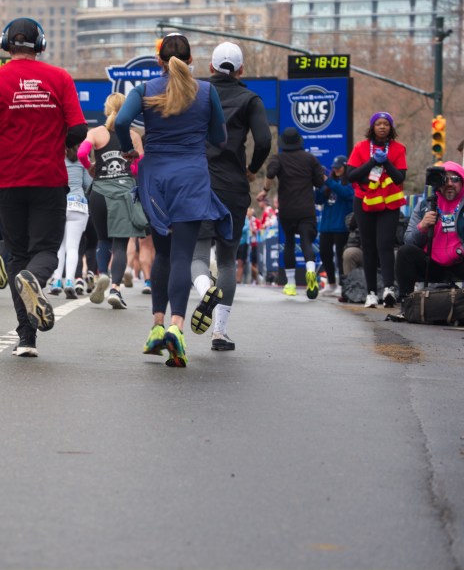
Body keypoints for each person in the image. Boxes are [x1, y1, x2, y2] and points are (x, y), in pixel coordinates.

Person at [0, 17, 88, 357]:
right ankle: (34, 278)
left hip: (7, 180)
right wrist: (56, 143)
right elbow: (79, 131)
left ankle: (26, 338)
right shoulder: (59, 78)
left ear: (6, 43)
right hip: (48, 178)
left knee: (17, 254)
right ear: (40, 44)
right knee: (46, 249)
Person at [115, 33, 229, 368]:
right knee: (183, 255)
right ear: (191, 59)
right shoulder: (206, 91)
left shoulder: (144, 90)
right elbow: (220, 138)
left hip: (156, 179)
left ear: (158, 60)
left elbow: (121, 121)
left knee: (162, 253)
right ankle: (177, 328)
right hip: (191, 178)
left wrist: (128, 148)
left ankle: (156, 326)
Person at [190, 41, 272, 350]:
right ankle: (219, 332)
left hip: (198, 184)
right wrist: (252, 168)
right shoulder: (250, 99)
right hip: (233, 187)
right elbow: (264, 140)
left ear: (210, 67)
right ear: (241, 70)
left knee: (198, 256)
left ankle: (204, 292)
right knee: (226, 261)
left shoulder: (196, 94)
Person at [79, 91, 145, 309]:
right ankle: (115, 288)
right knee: (120, 244)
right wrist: (129, 170)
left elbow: (81, 153)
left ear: (107, 109)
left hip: (99, 192)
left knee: (102, 240)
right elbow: (139, 166)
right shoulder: (134, 136)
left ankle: (102, 275)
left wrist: (90, 167)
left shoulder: (96, 132)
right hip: (123, 193)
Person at [396, 162, 464, 300]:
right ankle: (406, 301)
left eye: (455, 179)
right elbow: (409, 240)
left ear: (463, 181)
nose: (450, 183)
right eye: (445, 179)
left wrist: (461, 250)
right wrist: (422, 227)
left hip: (462, 261)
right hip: (432, 264)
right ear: (438, 183)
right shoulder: (424, 205)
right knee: (404, 252)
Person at [346, 112, 408, 308]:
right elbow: (351, 175)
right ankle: (371, 293)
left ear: (391, 128)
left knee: (385, 244)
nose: (382, 127)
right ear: (372, 127)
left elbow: (399, 178)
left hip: (389, 203)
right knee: (368, 246)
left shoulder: (398, 148)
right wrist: (373, 162)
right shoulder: (361, 147)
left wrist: (386, 161)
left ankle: (389, 289)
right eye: (378, 124)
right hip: (364, 202)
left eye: (386, 124)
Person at [258, 127, 324, 299]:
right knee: (306, 242)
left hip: (287, 209)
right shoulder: (310, 159)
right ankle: (311, 271)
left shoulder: (278, 158)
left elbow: (270, 173)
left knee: (289, 242)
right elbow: (319, 182)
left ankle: (291, 284)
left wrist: (265, 190)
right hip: (306, 208)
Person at [52, 145, 92, 298]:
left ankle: (56, 281)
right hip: (79, 205)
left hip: (61, 204)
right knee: (73, 247)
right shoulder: (83, 161)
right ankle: (69, 281)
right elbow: (88, 184)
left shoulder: (58, 158)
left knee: (60, 246)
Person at [315, 155, 354, 295]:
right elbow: (318, 200)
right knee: (324, 253)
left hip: (341, 226)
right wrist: (318, 185)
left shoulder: (350, 181)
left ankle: (342, 285)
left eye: (339, 167)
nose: (336, 170)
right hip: (326, 225)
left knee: (341, 256)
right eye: (334, 168)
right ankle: (331, 283)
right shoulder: (330, 182)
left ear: (345, 167)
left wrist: (328, 181)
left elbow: (346, 193)